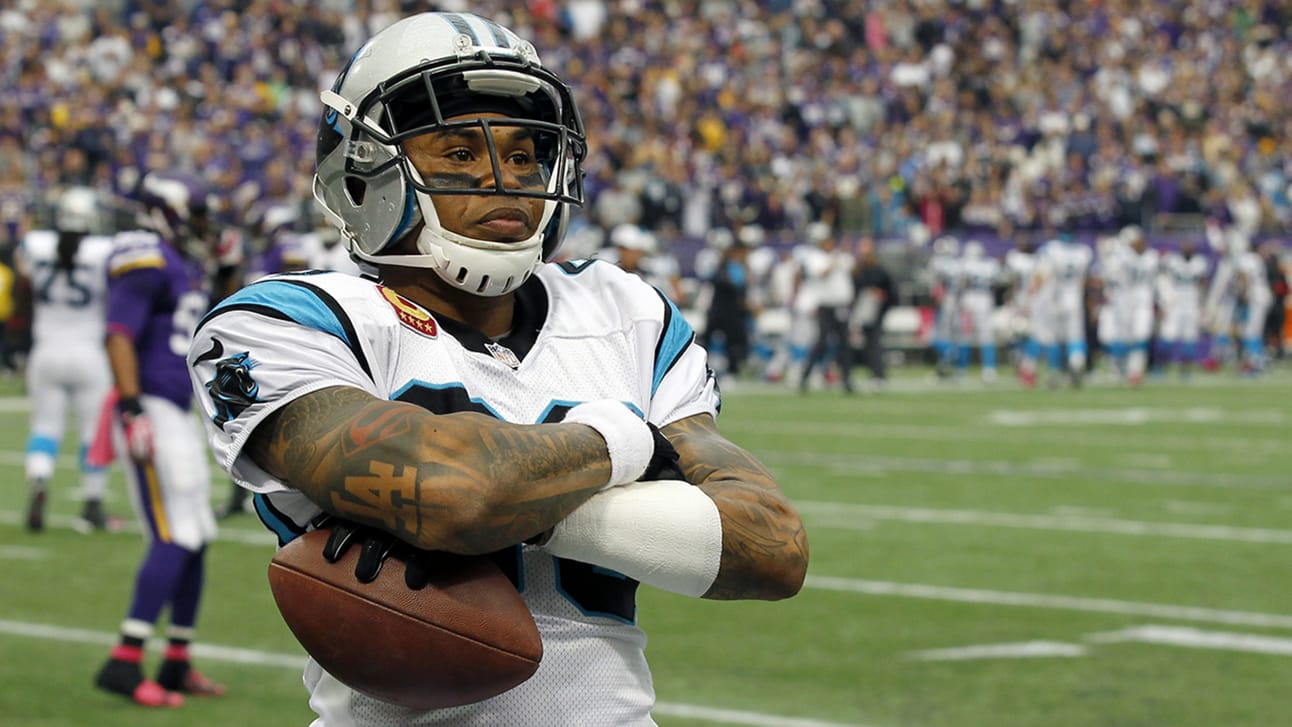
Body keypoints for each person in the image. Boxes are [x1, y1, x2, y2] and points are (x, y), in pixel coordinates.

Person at [185, 12, 807, 727]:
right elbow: (455, 494)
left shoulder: (623, 307)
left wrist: (524, 501)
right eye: (459, 151)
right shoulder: (287, 319)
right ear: (363, 172)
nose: (502, 178)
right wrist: (628, 441)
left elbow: (773, 548)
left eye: (524, 154)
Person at [94, 170, 225, 707]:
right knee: (175, 535)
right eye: (193, 216)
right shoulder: (144, 257)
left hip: (178, 410)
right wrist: (131, 407)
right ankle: (124, 662)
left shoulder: (179, 261)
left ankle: (176, 659)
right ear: (166, 212)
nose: (200, 227)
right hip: (149, 407)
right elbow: (118, 333)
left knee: (198, 534)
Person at [12, 186, 120, 532]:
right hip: (89, 353)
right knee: (93, 431)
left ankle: (40, 477)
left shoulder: (36, 245)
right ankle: (92, 502)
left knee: (45, 426)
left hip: (46, 351)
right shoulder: (104, 250)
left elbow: (23, 273)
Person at [797, 223, 856, 392]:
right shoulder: (815, 257)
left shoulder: (840, 256)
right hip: (826, 306)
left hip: (841, 306)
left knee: (844, 344)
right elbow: (823, 273)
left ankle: (847, 380)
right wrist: (835, 259)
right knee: (821, 342)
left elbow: (852, 272)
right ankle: (805, 375)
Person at [850, 236, 896, 388]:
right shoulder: (857, 270)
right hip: (860, 312)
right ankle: (873, 373)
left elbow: (891, 293)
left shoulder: (880, 271)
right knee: (866, 345)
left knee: (874, 344)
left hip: (876, 312)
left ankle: (878, 374)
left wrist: (881, 299)